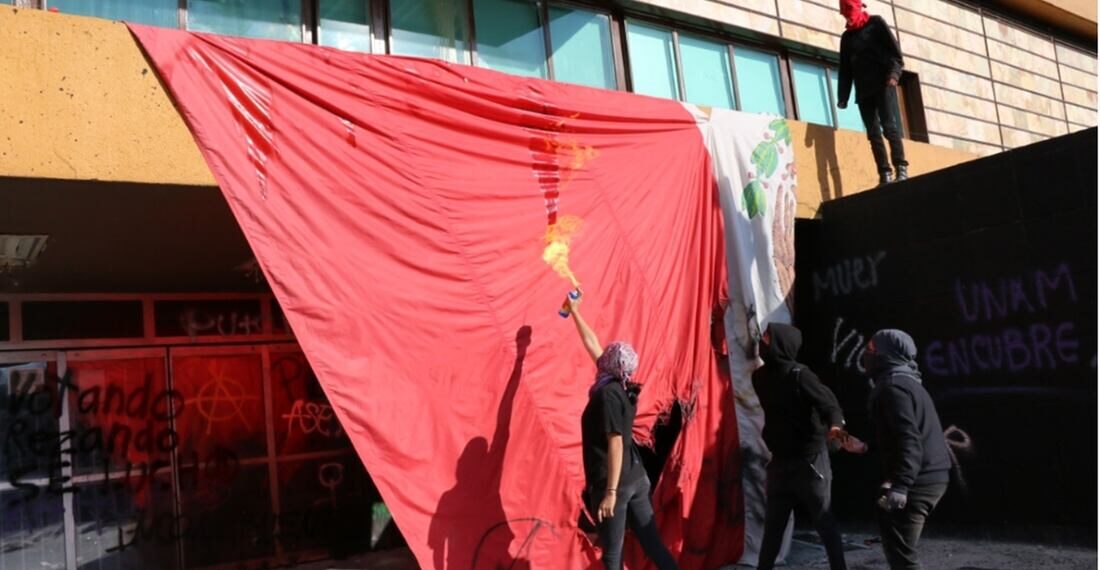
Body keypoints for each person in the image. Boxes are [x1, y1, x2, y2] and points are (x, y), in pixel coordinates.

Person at [564, 292, 678, 570]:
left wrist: (611, 492)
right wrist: (576, 313)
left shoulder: (607, 397)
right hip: (636, 477)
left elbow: (614, 444)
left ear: (610, 365)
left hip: (616, 482)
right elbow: (594, 347)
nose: (600, 355)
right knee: (653, 545)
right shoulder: (621, 385)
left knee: (613, 555)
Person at [844, 329, 951, 570]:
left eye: (872, 349)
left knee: (902, 557)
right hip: (927, 476)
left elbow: (909, 439)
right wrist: (866, 447)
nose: (867, 354)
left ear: (886, 354)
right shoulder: (906, 382)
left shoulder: (894, 387)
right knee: (898, 548)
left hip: (919, 481)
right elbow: (899, 437)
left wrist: (901, 485)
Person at [752, 323, 851, 570]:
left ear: (780, 343)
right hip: (781, 463)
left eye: (766, 338)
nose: (761, 342)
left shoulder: (801, 375)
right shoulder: (760, 377)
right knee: (773, 526)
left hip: (810, 462)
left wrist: (836, 429)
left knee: (824, 523)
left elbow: (830, 406)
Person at [836, 0, 909, 185]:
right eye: (844, 12)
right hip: (863, 91)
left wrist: (894, 74)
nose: (847, 15)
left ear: (859, 7)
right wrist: (842, 97)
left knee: (889, 126)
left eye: (849, 10)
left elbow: (895, 54)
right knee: (873, 133)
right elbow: (845, 70)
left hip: (883, 84)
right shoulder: (847, 38)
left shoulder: (876, 24)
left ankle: (901, 167)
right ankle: (884, 172)